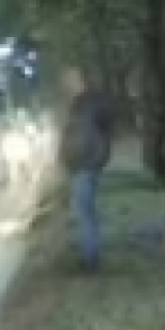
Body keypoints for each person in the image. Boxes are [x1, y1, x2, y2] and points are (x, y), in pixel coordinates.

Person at [58, 66, 113, 271]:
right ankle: (90, 254)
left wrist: (95, 155)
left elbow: (90, 134)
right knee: (86, 211)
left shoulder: (88, 104)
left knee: (86, 212)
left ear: (78, 80)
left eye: (68, 80)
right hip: (83, 164)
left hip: (86, 164)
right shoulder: (79, 104)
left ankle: (91, 258)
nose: (65, 85)